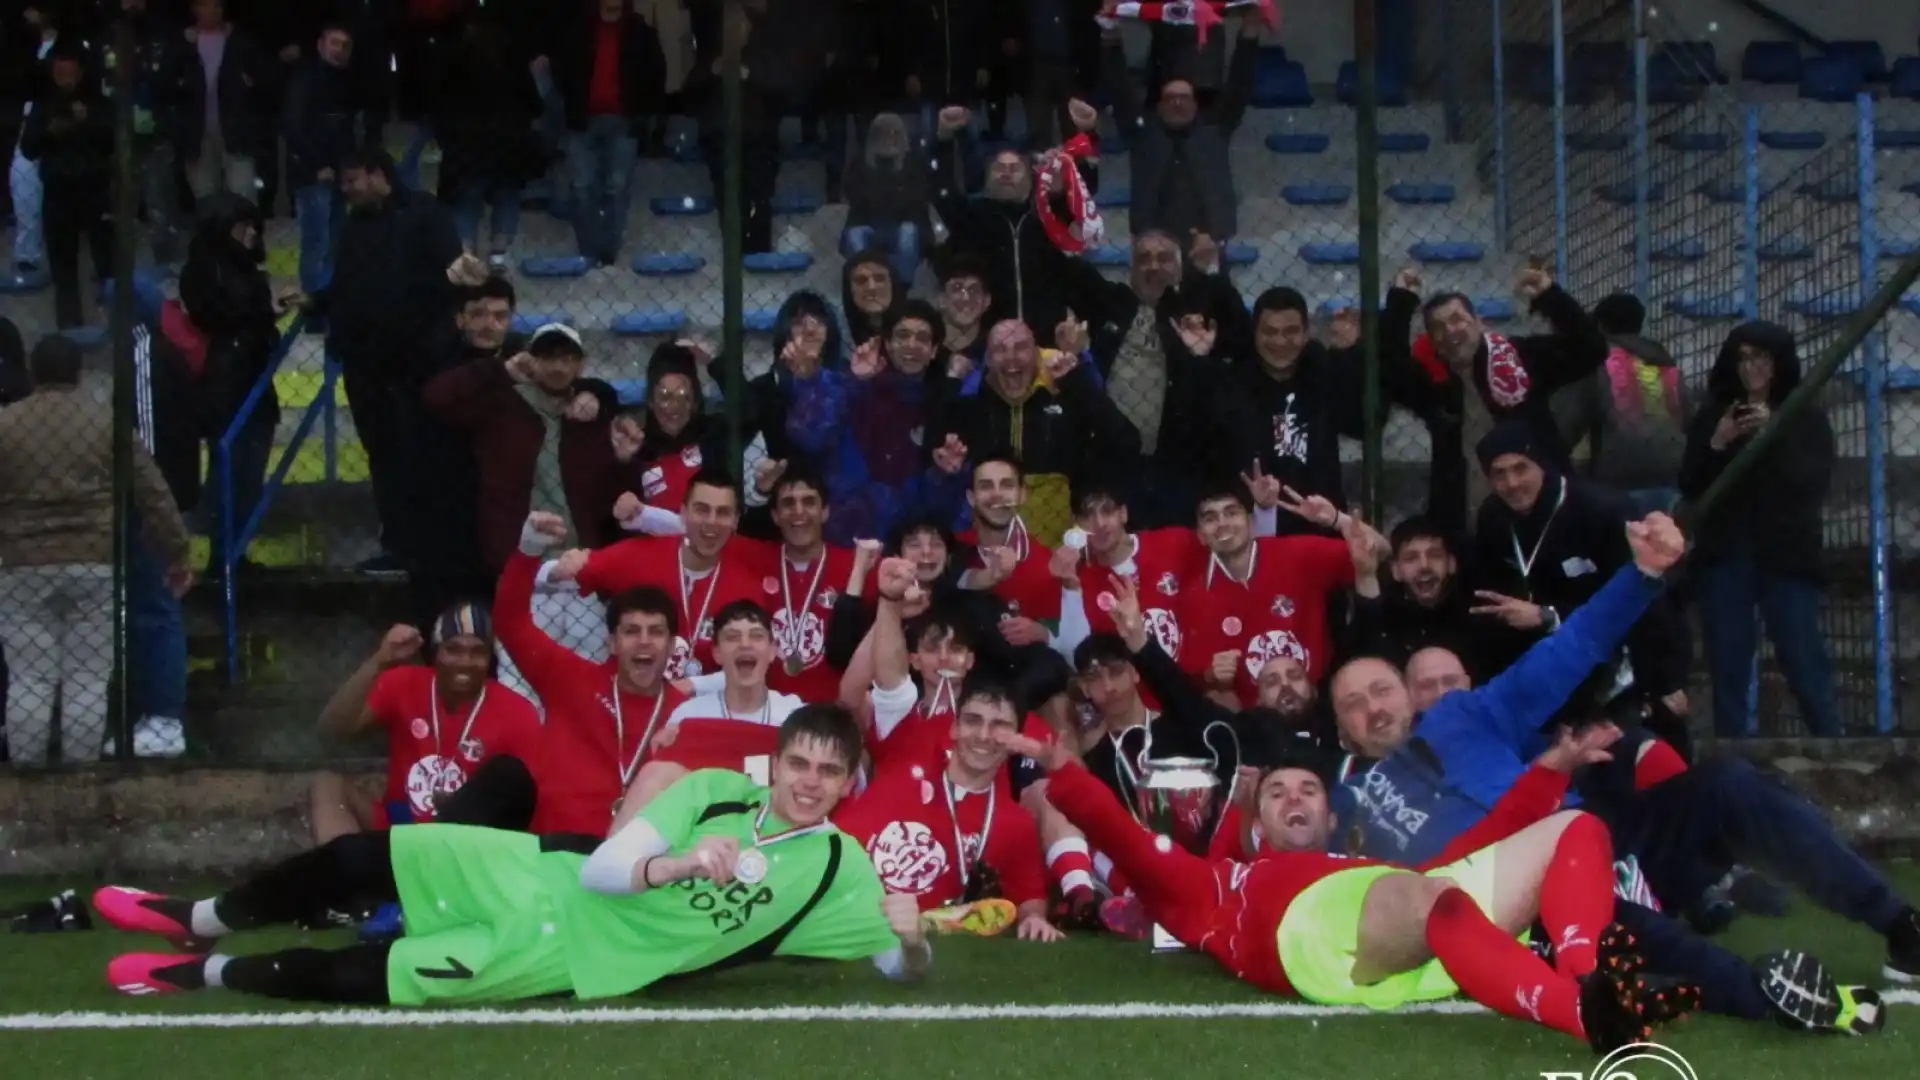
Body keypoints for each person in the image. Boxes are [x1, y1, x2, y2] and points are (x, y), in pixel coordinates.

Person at [96, 706, 932, 1002]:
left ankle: (198, 976)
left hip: (565, 956)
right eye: (799, 764)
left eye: (829, 772)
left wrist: (914, 938)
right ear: (776, 762)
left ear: (849, 780)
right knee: (373, 857)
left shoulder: (837, 870)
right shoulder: (713, 790)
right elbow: (606, 870)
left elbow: (896, 968)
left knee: (381, 978)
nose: (811, 783)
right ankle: (198, 919)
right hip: (541, 874)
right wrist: (677, 863)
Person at [999, 723, 1681, 1054]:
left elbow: (1481, 846)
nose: (1294, 799)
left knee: (1577, 829)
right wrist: (1067, 773)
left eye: (1308, 791)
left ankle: (1591, 979)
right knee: (1424, 895)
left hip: (1418, 923)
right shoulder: (1218, 883)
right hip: (1319, 938)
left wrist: (1548, 770)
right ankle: (1581, 1013)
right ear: (1255, 820)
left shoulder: (1366, 861)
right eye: (1277, 793)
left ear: (1332, 817)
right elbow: (1126, 843)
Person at [0, 336, 191, 764]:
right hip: (93, 561)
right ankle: (81, 773)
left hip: (22, 566)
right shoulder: (105, 423)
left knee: (29, 676)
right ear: (79, 374)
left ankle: (26, 772)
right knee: (87, 675)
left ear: (33, 373)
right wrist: (175, 549)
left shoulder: (6, 424)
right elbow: (152, 492)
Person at [1679, 321, 1838, 738]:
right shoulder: (1715, 413)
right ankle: (1733, 751)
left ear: (1779, 362)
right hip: (1726, 554)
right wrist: (1718, 441)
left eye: (1762, 358)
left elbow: (1810, 481)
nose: (1752, 368)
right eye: (1743, 357)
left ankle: (1832, 746)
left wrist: (1774, 433)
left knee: (1802, 656)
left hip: (1786, 555)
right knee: (1727, 659)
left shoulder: (1804, 415)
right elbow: (1690, 483)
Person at [308, 608, 546, 845]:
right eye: (453, 649)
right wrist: (380, 660)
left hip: (465, 838)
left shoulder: (518, 711)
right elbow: (331, 729)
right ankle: (345, 872)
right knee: (327, 784)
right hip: (399, 825)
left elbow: (527, 802)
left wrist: (463, 806)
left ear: (489, 658)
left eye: (477, 652)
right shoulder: (404, 682)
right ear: (436, 652)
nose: (465, 662)